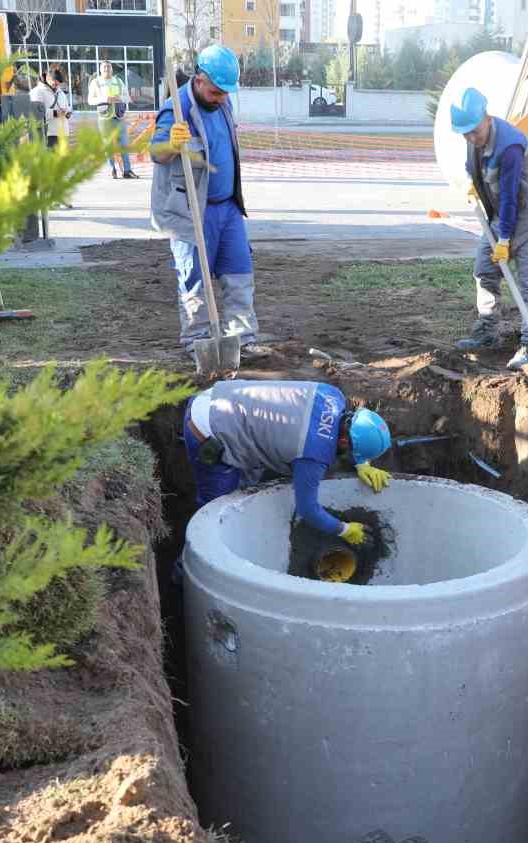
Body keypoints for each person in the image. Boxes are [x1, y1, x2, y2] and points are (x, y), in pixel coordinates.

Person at [150, 46, 270, 359]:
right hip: (190, 211)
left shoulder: (222, 104)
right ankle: (198, 343)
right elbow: (156, 152)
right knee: (194, 281)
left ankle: (243, 340)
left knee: (240, 274)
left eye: (226, 93)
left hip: (227, 207)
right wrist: (171, 143)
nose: (221, 98)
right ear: (199, 80)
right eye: (217, 92)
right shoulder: (176, 109)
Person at [182, 381, 393, 546]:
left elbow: (335, 432)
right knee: (215, 518)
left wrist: (362, 463)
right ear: (345, 442)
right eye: (351, 452)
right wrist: (345, 530)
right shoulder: (312, 456)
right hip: (208, 428)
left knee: (247, 487)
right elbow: (308, 510)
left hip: (221, 396)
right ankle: (182, 576)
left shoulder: (332, 395)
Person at [448, 86, 528, 370]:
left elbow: (511, 196)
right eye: (466, 133)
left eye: (474, 130)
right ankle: (487, 330)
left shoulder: (509, 146)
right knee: (484, 267)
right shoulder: (474, 139)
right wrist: (472, 184)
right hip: (505, 214)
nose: (471, 137)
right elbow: (476, 169)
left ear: (487, 117)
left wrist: (505, 239)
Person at [91, 61, 138, 179]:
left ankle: (127, 171)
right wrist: (105, 98)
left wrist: (119, 98)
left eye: (109, 67)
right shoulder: (96, 83)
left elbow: (127, 98)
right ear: (100, 70)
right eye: (104, 67)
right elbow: (90, 100)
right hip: (104, 118)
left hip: (119, 116)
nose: (107, 69)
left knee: (124, 144)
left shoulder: (118, 81)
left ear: (112, 69)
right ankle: (112, 170)